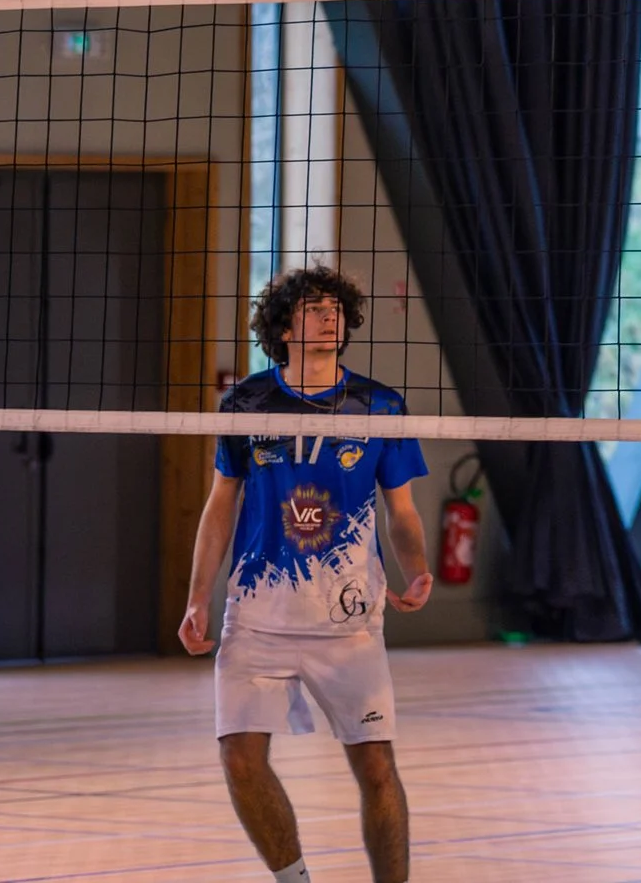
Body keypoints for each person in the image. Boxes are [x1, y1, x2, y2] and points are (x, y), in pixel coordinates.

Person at [179, 267, 432, 883]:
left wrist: (418, 570)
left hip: (348, 623)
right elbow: (220, 505)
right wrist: (198, 599)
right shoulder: (246, 403)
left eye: (336, 309)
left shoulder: (379, 404)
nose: (328, 317)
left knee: (377, 768)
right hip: (257, 619)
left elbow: (401, 510)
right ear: (284, 326)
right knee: (240, 758)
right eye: (314, 308)